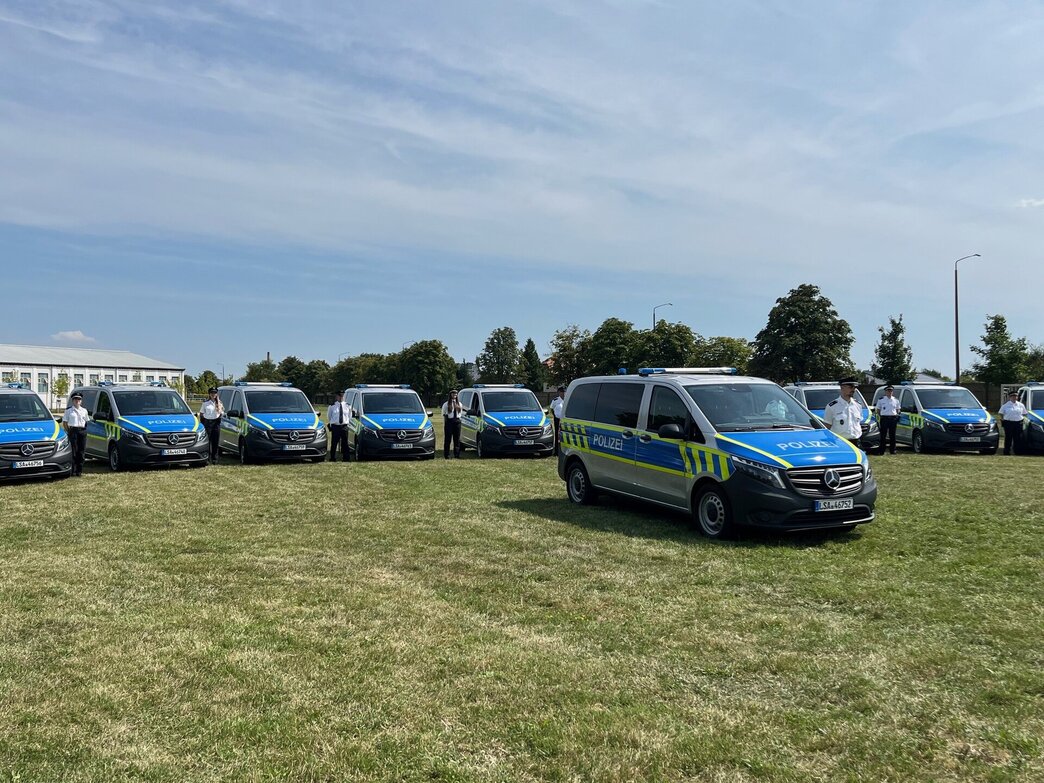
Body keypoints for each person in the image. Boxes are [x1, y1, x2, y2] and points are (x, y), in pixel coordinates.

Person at [823, 378, 864, 443]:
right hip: (839, 442)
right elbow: (827, 426)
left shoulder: (858, 405)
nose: (853, 390)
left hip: (856, 441)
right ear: (842, 388)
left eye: (855, 387)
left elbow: (858, 423)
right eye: (851, 387)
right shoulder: (832, 406)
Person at [62, 391, 90, 477]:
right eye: (75, 399)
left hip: (82, 431)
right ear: (72, 400)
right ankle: (73, 471)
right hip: (73, 431)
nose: (77, 400)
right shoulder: (69, 411)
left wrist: (84, 430)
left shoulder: (84, 410)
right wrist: (69, 431)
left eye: (79, 399)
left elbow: (86, 421)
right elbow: (65, 422)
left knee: (81, 451)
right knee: (74, 451)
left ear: (81, 401)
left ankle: (79, 471)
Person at [198, 387, 224, 464]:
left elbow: (221, 413)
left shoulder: (220, 403)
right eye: (212, 393)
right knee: (207, 441)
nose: (213, 394)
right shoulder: (205, 403)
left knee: (215, 441)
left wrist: (219, 417)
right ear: (209, 394)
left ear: (216, 394)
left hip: (216, 423)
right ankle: (207, 458)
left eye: (215, 393)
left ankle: (215, 458)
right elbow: (201, 414)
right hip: (207, 423)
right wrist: (203, 423)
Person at [875, 385, 901, 454]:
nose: (890, 392)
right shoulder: (881, 400)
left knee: (892, 435)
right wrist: (882, 416)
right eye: (888, 391)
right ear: (885, 392)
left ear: (892, 392)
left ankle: (893, 450)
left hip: (893, 419)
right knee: (883, 435)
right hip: (884, 418)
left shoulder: (896, 400)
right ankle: (882, 450)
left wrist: (897, 416)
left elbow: (898, 410)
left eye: (891, 391)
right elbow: (878, 410)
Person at [999, 391, 1027, 455]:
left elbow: (1024, 413)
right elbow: (1000, 413)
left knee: (1018, 438)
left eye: (1016, 396)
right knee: (1008, 438)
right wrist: (1003, 419)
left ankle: (1017, 451)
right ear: (1010, 397)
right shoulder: (1005, 405)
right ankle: (1007, 452)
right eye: (1013, 396)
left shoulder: (1021, 405)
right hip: (1008, 423)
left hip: (1018, 423)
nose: (1015, 397)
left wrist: (1022, 420)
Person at [327, 390, 351, 462]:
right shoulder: (332, 406)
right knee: (334, 443)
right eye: (339, 396)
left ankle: (346, 458)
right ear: (337, 396)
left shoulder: (348, 405)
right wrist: (333, 423)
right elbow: (329, 416)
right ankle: (332, 458)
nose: (341, 397)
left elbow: (350, 416)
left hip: (344, 426)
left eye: (342, 396)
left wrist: (347, 423)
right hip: (336, 426)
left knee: (345, 443)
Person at [441, 389, 464, 459]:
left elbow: (461, 413)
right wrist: (446, 422)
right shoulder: (446, 404)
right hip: (449, 422)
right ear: (450, 395)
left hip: (457, 422)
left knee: (457, 439)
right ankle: (447, 455)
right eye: (453, 394)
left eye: (456, 394)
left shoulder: (459, 404)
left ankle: (457, 454)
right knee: (448, 439)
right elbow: (444, 414)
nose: (455, 395)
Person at [549, 386, 566, 453]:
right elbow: (552, 409)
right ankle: (556, 450)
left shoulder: (567, 399)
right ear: (559, 392)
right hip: (557, 419)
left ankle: (563, 450)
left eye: (564, 392)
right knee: (557, 434)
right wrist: (555, 416)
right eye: (562, 392)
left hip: (565, 419)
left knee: (564, 434)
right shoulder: (555, 400)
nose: (563, 393)